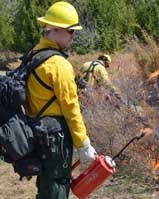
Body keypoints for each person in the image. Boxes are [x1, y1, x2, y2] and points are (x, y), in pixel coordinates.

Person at [24, 2, 96, 198]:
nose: (73, 36)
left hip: (37, 132)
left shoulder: (33, 55)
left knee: (46, 186)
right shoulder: (58, 64)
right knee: (56, 190)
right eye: (71, 31)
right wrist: (83, 144)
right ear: (55, 30)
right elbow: (71, 107)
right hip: (55, 138)